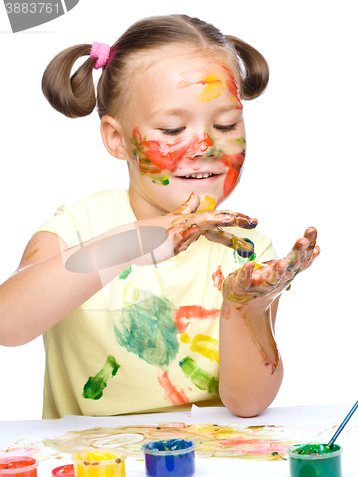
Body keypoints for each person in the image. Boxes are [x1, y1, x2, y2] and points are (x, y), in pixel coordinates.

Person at [0, 14, 319, 419]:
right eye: (171, 129)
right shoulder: (77, 227)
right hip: (89, 473)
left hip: (204, 463)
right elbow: (7, 324)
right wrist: (134, 241)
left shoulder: (248, 252)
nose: (205, 145)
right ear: (117, 139)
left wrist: (245, 308)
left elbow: (248, 402)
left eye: (225, 124)